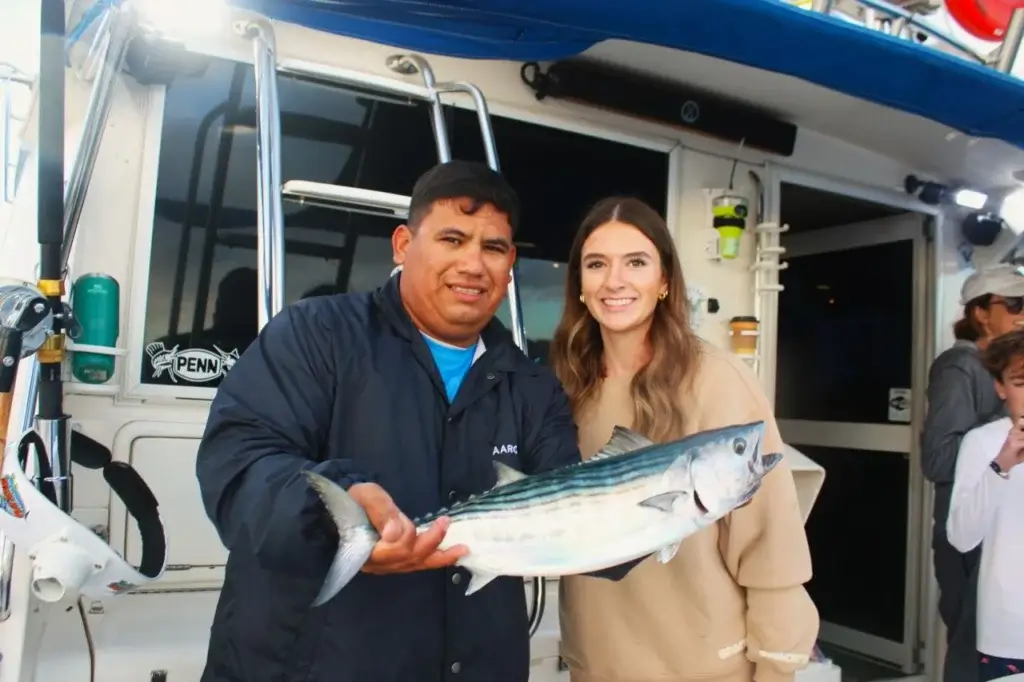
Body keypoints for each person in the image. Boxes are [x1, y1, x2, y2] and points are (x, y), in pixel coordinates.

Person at [194, 160, 633, 682]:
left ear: (510, 262)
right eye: (452, 238)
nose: (473, 264)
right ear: (402, 245)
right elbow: (237, 467)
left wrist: (673, 498)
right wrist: (331, 509)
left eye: (492, 248)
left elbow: (575, 519)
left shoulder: (532, 387)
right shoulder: (315, 336)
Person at [550, 197, 819, 682]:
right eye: (596, 265)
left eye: (636, 262)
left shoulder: (718, 379)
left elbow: (770, 541)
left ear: (665, 282)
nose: (615, 281)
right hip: (597, 663)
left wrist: (778, 665)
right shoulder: (564, 385)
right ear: (580, 286)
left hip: (702, 668)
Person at [921, 264, 1024, 682]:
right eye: (1014, 303)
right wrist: (995, 449)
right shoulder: (959, 365)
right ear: (981, 313)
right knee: (971, 643)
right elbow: (939, 456)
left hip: (1001, 529)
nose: (1023, 311)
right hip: (968, 534)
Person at [947, 328, 1024, 681]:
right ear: (1001, 387)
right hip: (1008, 627)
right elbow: (962, 537)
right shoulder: (983, 443)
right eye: (1021, 382)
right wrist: (1000, 466)